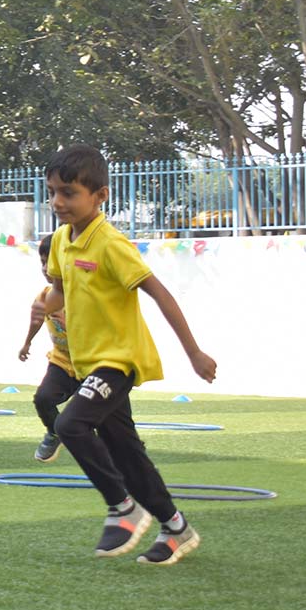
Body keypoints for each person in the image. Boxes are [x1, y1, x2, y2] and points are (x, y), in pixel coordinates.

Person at [34, 145, 218, 565]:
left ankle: (122, 506)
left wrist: (194, 352)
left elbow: (160, 293)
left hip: (119, 360)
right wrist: (45, 305)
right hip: (87, 363)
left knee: (70, 424)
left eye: (69, 193)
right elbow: (59, 290)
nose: (57, 202)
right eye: (53, 192)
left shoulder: (111, 244)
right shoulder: (61, 240)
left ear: (100, 196)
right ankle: (176, 528)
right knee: (125, 450)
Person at [19, 233, 77, 462]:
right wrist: (27, 343)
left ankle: (129, 448)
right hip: (61, 362)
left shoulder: (83, 297)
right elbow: (36, 320)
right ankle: (54, 432)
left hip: (92, 365)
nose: (45, 268)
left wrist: (69, 324)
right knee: (43, 399)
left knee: (107, 416)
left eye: (49, 263)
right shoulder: (44, 296)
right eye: (42, 263)